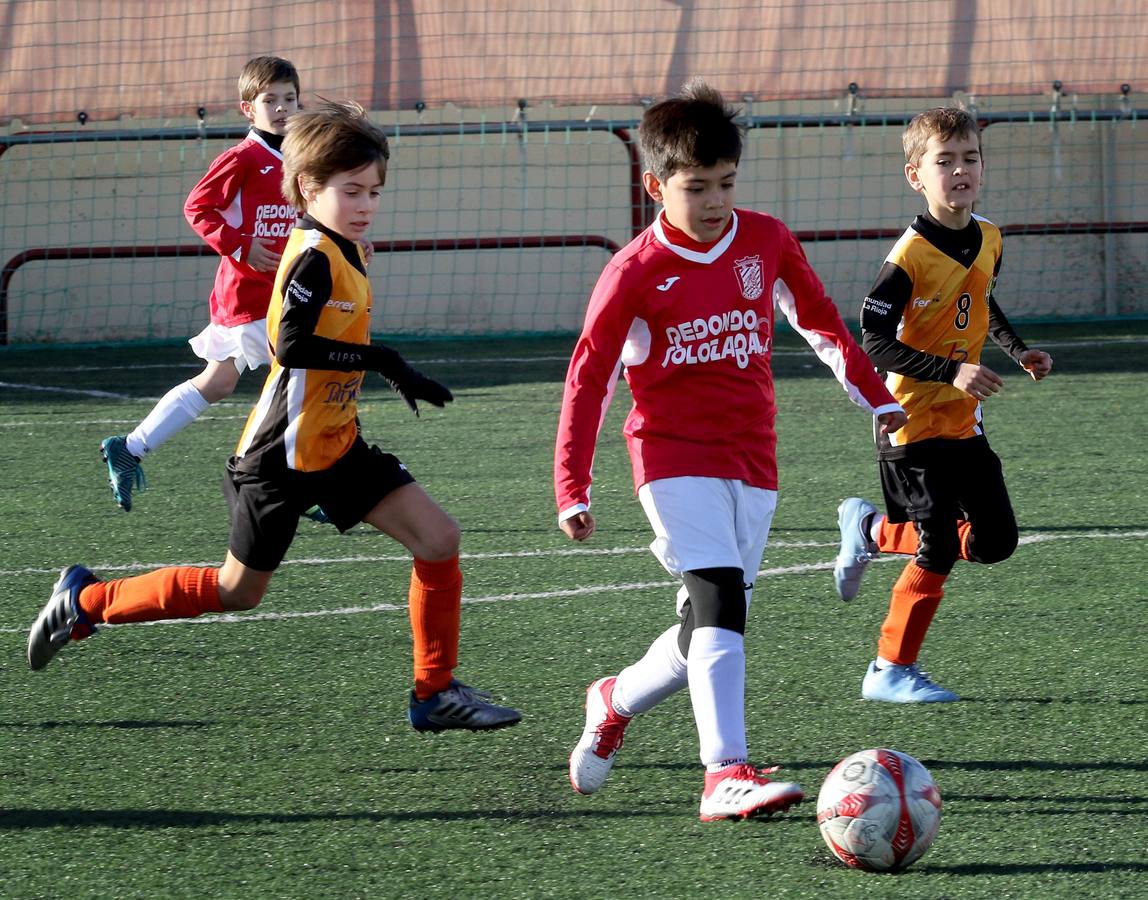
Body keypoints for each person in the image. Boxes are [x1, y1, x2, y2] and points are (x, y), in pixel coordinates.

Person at [30, 99, 522, 734]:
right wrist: (386, 360)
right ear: (310, 189)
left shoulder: (346, 247)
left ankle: (434, 692)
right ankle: (87, 600)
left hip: (336, 448)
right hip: (281, 460)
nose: (367, 203)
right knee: (239, 592)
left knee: (440, 540)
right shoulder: (315, 255)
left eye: (374, 190)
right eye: (351, 190)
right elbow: (289, 345)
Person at [554, 79, 906, 821]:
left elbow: (822, 326)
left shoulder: (766, 239)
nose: (715, 201)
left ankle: (613, 698)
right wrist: (572, 486)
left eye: (726, 183)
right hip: (669, 456)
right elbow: (590, 379)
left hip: (753, 460)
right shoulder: (634, 272)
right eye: (695, 187)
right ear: (655, 186)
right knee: (719, 600)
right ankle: (724, 773)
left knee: (707, 623)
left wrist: (875, 396)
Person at [833, 106, 1053, 704]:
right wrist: (953, 370)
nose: (960, 170)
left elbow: (981, 299)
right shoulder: (906, 257)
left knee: (995, 541)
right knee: (935, 544)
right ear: (916, 175)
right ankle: (889, 670)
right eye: (944, 160)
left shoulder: (989, 236)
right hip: (906, 421)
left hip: (962, 420)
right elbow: (873, 338)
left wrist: (1016, 349)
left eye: (970, 158)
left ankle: (872, 530)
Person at [100, 56, 305, 513]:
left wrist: (350, 243)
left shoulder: (301, 157)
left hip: (281, 294)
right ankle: (297, 480)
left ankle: (129, 448)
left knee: (218, 382)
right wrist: (241, 246)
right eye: (269, 100)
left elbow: (311, 217)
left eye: (289, 98)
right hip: (249, 295)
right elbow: (199, 208)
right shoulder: (242, 157)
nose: (281, 108)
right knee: (304, 376)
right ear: (247, 109)